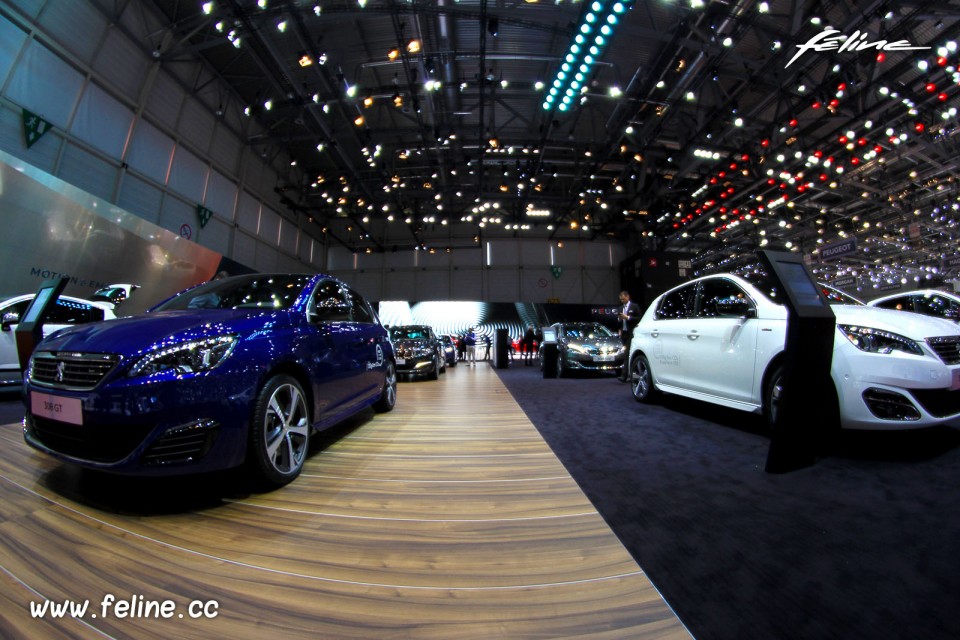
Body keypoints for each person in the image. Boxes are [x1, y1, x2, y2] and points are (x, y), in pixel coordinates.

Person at [617, 290, 641, 382]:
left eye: (623, 299)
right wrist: (619, 320)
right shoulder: (620, 309)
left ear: (628, 297)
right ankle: (633, 376)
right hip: (624, 334)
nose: (622, 301)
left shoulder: (634, 307)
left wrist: (628, 317)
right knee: (626, 355)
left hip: (633, 334)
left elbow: (639, 318)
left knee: (628, 354)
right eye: (621, 300)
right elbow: (618, 322)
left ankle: (625, 375)